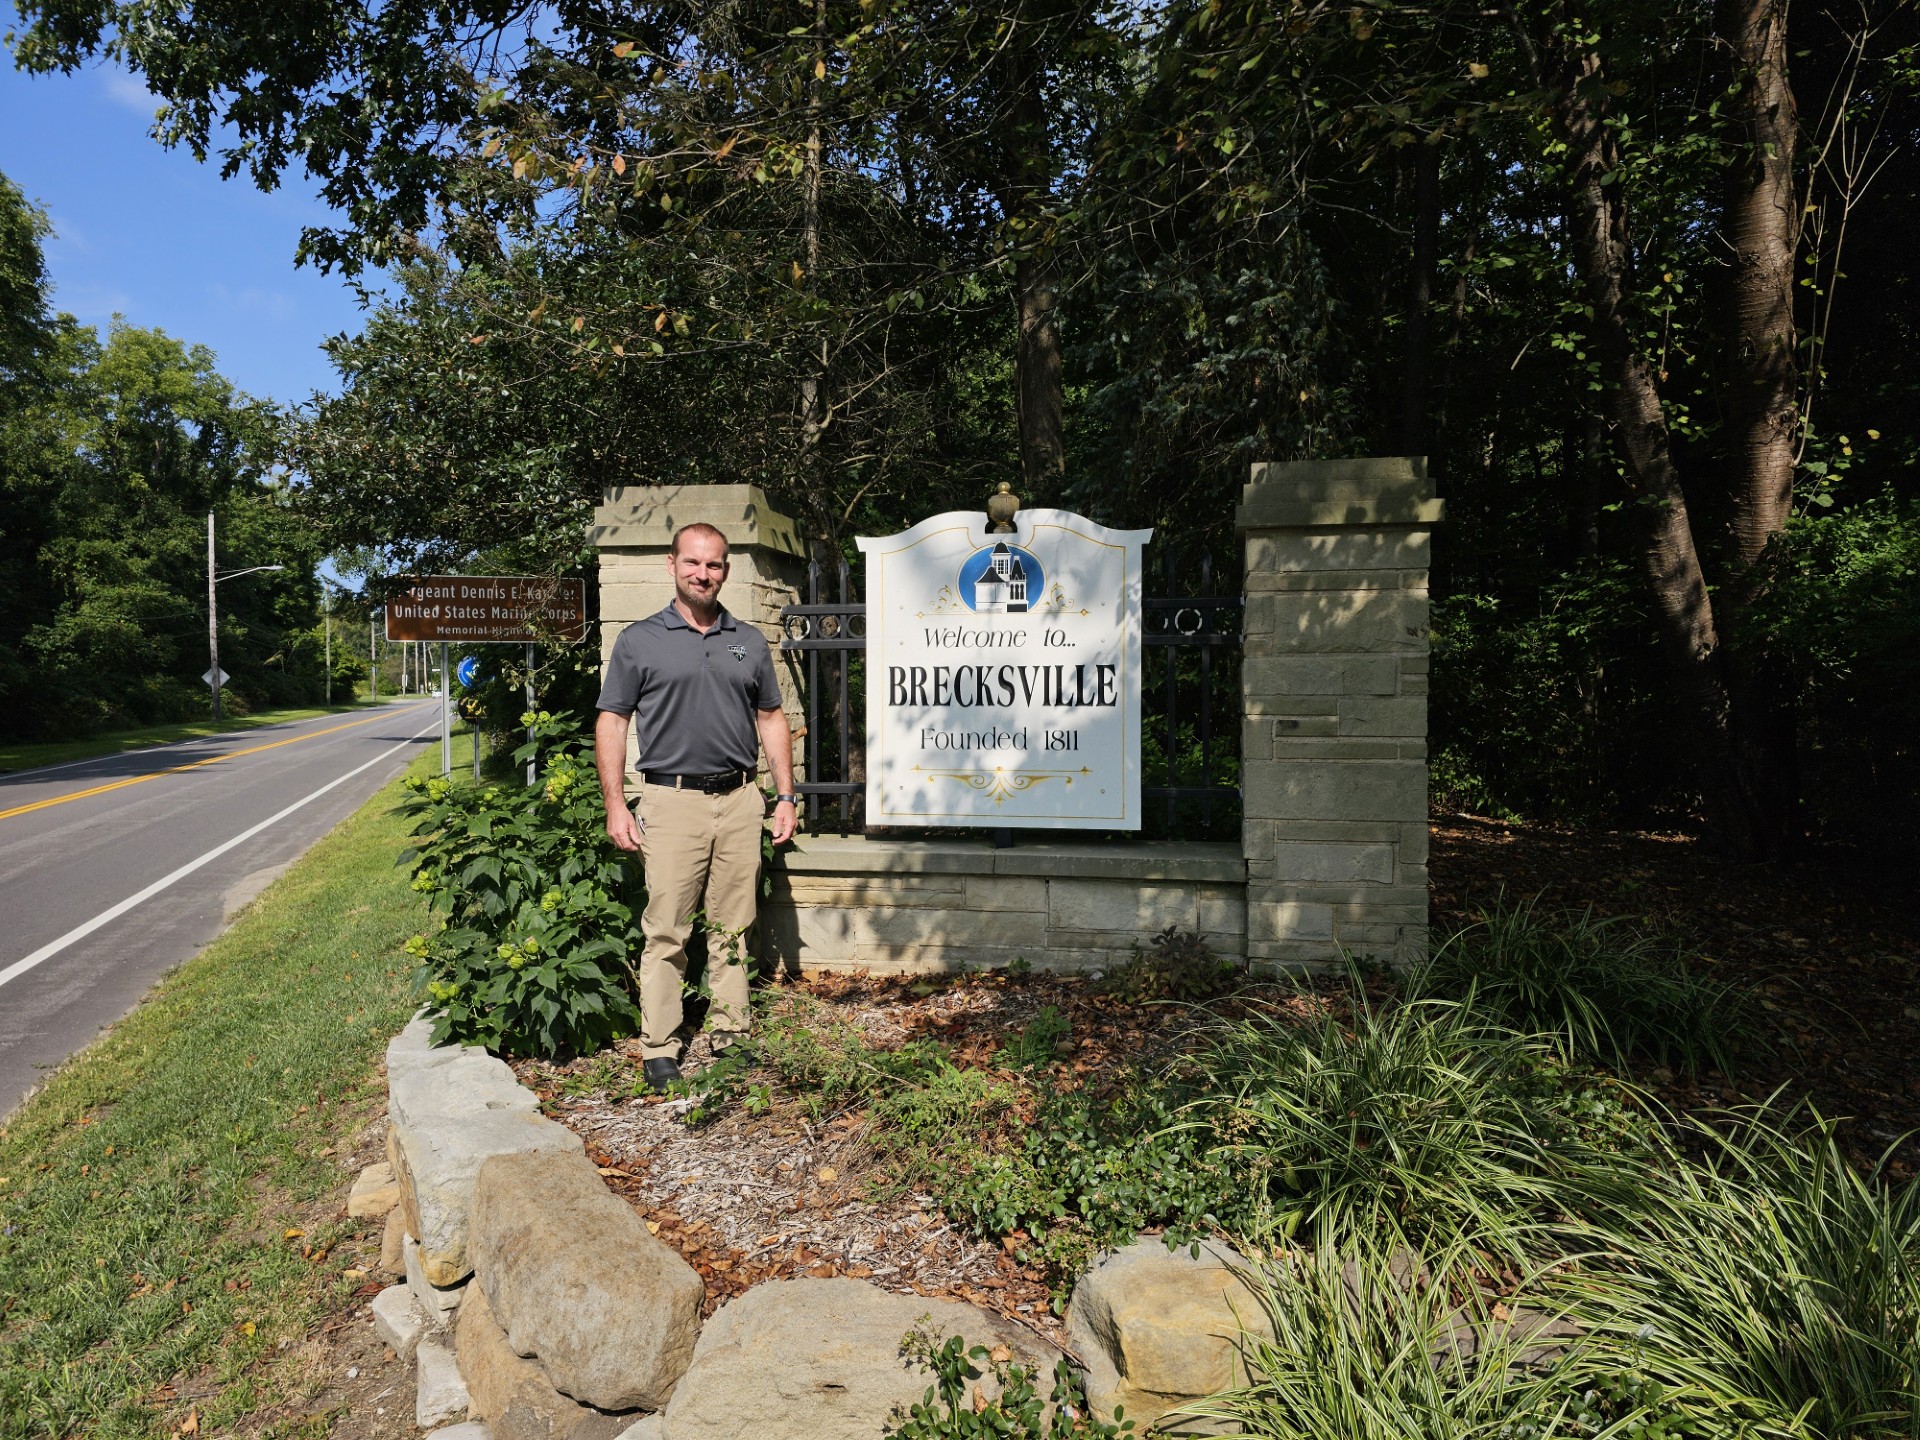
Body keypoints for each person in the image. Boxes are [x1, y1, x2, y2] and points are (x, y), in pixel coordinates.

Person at [594, 522, 798, 1091]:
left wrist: (783, 796)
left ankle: (732, 1035)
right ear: (672, 565)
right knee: (667, 929)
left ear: (726, 571)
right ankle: (660, 1044)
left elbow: (770, 718)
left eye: (713, 565)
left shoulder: (749, 641)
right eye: (693, 563)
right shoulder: (640, 640)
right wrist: (616, 804)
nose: (702, 574)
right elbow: (612, 720)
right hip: (670, 800)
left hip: (739, 800)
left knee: (735, 927)